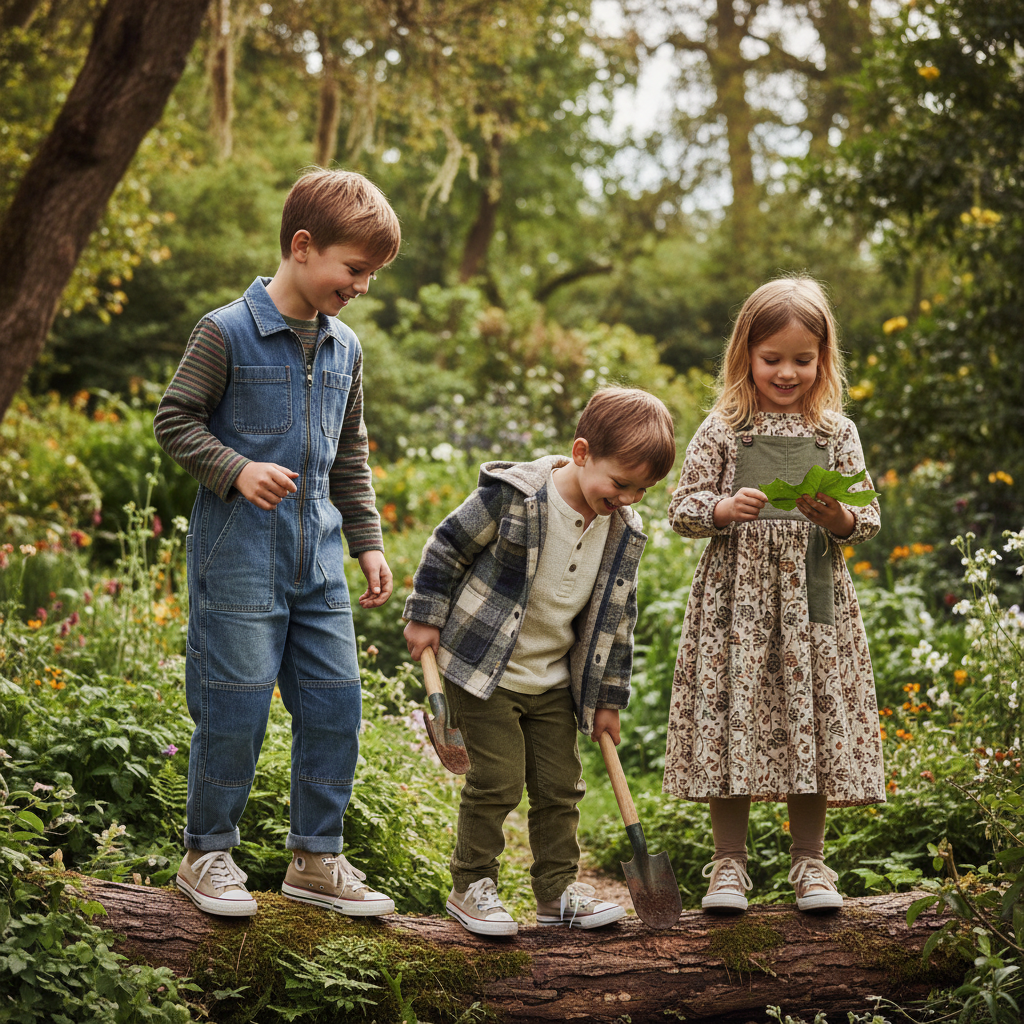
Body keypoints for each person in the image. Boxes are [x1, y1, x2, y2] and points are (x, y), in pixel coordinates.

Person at [154, 169, 400, 919]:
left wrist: (367, 542)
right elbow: (174, 421)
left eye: (371, 274)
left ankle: (316, 858)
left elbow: (349, 454)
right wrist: (236, 469)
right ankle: (206, 853)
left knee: (337, 705)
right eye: (353, 268)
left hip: (318, 564)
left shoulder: (345, 348)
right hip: (238, 563)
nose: (362, 286)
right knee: (234, 709)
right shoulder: (225, 331)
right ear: (302, 246)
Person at [403, 387, 676, 936]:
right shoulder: (515, 497)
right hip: (483, 670)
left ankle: (557, 893)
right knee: (497, 780)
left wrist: (607, 700)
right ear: (581, 453)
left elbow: (617, 621)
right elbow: (448, 546)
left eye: (641, 490)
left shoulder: (623, 532)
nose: (628, 498)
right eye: (620, 483)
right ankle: (471, 885)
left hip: (553, 681)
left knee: (560, 788)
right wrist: (425, 613)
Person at [662, 277, 883, 914]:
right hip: (736, 608)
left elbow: (867, 518)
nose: (787, 372)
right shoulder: (726, 429)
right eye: (772, 359)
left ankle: (810, 863)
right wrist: (723, 509)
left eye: (802, 360)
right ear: (746, 356)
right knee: (735, 717)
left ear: (823, 359)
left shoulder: (835, 433)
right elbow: (682, 507)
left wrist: (835, 516)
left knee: (808, 719)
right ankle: (728, 865)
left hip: (812, 604)